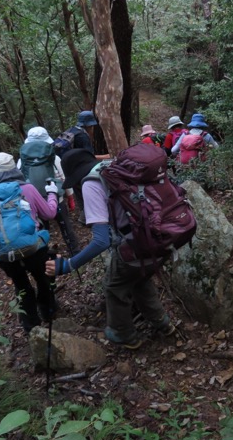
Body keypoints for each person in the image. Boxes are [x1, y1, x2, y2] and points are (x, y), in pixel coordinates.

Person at [44, 148, 174, 349]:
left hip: (137, 245)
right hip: (166, 234)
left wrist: (69, 265)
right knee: (138, 278)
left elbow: (100, 241)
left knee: (114, 285)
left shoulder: (92, 183)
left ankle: (123, 333)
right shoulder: (116, 167)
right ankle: (162, 323)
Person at [0, 152, 60, 334]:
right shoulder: (27, 189)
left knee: (21, 284)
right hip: (33, 249)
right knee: (43, 277)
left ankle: (31, 326)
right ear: (14, 168)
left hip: (4, 254)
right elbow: (49, 214)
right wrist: (52, 194)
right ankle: (48, 311)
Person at [18, 125, 76, 213]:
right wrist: (70, 197)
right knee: (64, 224)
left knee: (43, 225)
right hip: (57, 199)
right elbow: (64, 178)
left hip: (34, 201)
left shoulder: (22, 161)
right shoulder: (54, 158)